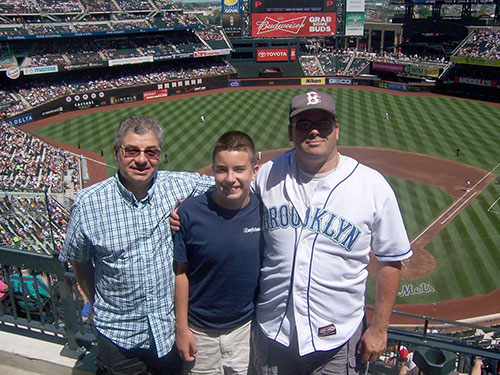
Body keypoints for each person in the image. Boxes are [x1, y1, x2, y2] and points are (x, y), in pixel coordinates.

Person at [251, 91, 413, 374]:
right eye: (303, 124)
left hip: (336, 343)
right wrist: (184, 207)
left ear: (336, 130)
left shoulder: (372, 186)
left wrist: (379, 327)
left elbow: (391, 260)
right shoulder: (267, 175)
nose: (314, 130)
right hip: (273, 333)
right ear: (291, 132)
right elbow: (231, 197)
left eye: (323, 124)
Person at [59, 114, 214, 375]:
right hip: (118, 336)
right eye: (132, 151)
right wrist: (96, 303)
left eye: (151, 152)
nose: (142, 160)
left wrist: (191, 210)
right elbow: (79, 261)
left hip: (168, 335)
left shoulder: (178, 186)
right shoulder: (88, 203)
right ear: (117, 152)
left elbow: (227, 185)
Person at [174, 131, 261, 374]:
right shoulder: (189, 212)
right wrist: (182, 328)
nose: (230, 178)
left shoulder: (264, 210)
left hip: (245, 331)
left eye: (239, 169)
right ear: (213, 170)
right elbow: (181, 273)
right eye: (222, 169)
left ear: (254, 171)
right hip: (199, 332)